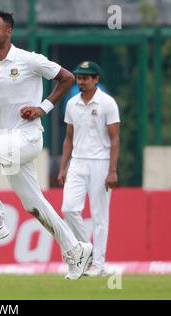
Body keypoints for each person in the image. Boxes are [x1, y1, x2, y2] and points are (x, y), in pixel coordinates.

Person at [0, 11, 92, 280]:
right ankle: (75, 250)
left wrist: (43, 108)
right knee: (33, 204)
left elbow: (66, 78)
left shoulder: (29, 60)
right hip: (6, 142)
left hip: (28, 138)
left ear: (8, 32)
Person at [57, 61, 120, 277]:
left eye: (85, 78)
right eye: (79, 77)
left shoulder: (107, 103)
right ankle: (89, 254)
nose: (81, 81)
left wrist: (112, 170)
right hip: (77, 162)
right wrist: (63, 167)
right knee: (68, 209)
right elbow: (68, 138)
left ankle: (99, 265)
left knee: (99, 215)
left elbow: (115, 139)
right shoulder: (72, 103)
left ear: (96, 80)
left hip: (101, 163)